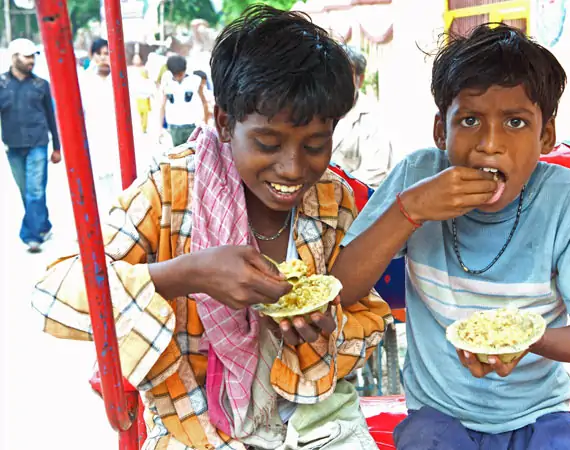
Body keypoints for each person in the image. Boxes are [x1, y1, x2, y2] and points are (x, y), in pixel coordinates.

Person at [32, 6, 390, 449]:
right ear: (224, 123)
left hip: (318, 421)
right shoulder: (171, 187)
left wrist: (324, 327)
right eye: (268, 144)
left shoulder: (332, 196)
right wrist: (185, 275)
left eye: (315, 146)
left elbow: (369, 317)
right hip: (191, 421)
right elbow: (53, 292)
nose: (293, 168)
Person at [332, 24, 570, 450]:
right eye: (469, 120)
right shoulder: (417, 177)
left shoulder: (565, 199)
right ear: (440, 131)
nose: (490, 144)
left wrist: (526, 341)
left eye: (515, 122)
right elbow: (341, 288)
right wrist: (410, 210)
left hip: (540, 414)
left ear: (545, 135)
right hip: (438, 414)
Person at [0, 38, 61, 253]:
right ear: (14, 57)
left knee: (35, 190)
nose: (31, 61)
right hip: (12, 146)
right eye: (27, 56)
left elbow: (52, 116)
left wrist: (57, 146)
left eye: (33, 56)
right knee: (26, 190)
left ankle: (31, 236)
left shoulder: (41, 85)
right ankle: (43, 225)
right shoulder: (1, 84)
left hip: (38, 144)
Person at [331, 45, 392, 189]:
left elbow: (374, 175)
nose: (338, 81)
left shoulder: (374, 117)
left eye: (346, 74)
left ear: (361, 79)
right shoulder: (315, 108)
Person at [79, 38, 122, 220]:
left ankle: (118, 219)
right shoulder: (85, 80)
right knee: (98, 180)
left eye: (108, 54)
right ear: (93, 55)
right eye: (100, 54)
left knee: (119, 181)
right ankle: (103, 221)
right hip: (94, 135)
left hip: (117, 137)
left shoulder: (120, 79)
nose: (104, 58)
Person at [159, 55, 211, 146]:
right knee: (178, 154)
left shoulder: (195, 81)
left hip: (191, 126)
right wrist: (160, 128)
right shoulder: (167, 83)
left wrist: (205, 123)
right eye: (176, 75)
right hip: (174, 127)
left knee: (193, 154)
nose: (178, 77)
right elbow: (162, 106)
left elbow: (204, 102)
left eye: (180, 74)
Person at [129, 53, 155, 134]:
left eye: (138, 58)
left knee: (145, 111)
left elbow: (148, 81)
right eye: (135, 58)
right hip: (135, 95)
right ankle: (139, 127)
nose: (136, 60)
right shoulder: (130, 69)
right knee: (138, 111)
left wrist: (151, 92)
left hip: (144, 94)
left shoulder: (144, 69)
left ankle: (144, 127)